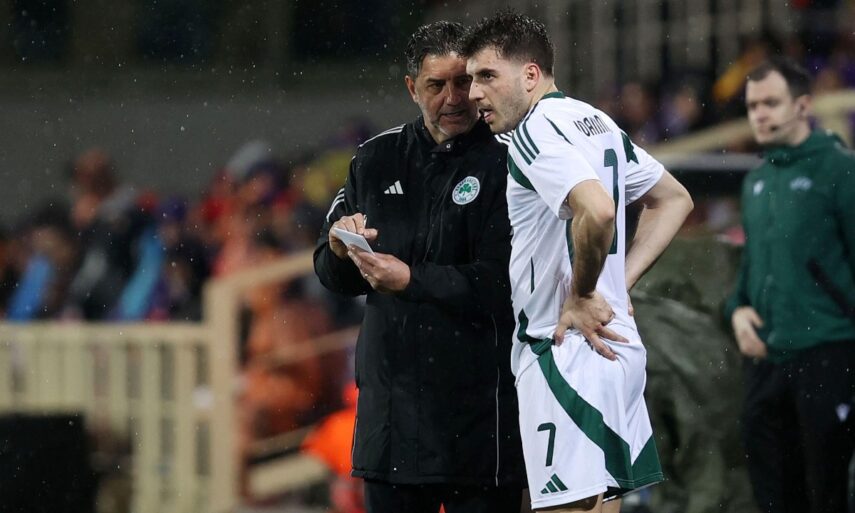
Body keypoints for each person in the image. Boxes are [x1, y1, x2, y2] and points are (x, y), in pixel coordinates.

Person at [464, 11, 693, 512]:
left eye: (486, 76)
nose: (474, 93)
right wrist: (618, 285)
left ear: (530, 74)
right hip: (616, 348)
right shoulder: (595, 119)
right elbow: (674, 199)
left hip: (563, 350)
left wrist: (584, 293)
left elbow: (598, 209)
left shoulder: (533, 132)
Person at [313, 21, 525, 513]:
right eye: (436, 85)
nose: (454, 98)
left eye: (464, 82)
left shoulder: (510, 161)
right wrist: (340, 250)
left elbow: (504, 283)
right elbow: (328, 271)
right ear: (412, 88)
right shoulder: (374, 159)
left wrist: (411, 280)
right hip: (393, 417)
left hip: (480, 418)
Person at [724, 57, 855, 513]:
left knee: (827, 493)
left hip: (828, 355)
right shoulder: (756, 182)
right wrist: (736, 311)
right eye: (752, 105)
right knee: (773, 496)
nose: (759, 114)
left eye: (771, 103)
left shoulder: (840, 170)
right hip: (768, 360)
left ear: (803, 106)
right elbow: (750, 273)